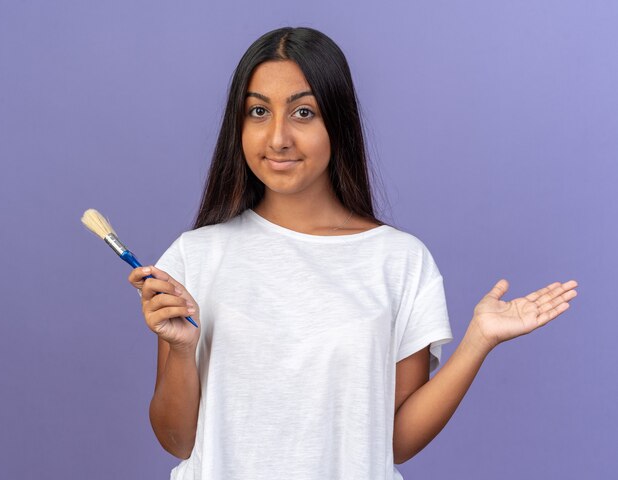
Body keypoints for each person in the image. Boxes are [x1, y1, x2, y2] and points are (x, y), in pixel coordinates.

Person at [127, 26, 578, 480]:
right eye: (259, 111)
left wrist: (478, 340)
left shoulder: (400, 261)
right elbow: (178, 441)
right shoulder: (196, 256)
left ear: (337, 122)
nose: (278, 137)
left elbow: (396, 443)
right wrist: (181, 350)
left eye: (303, 112)